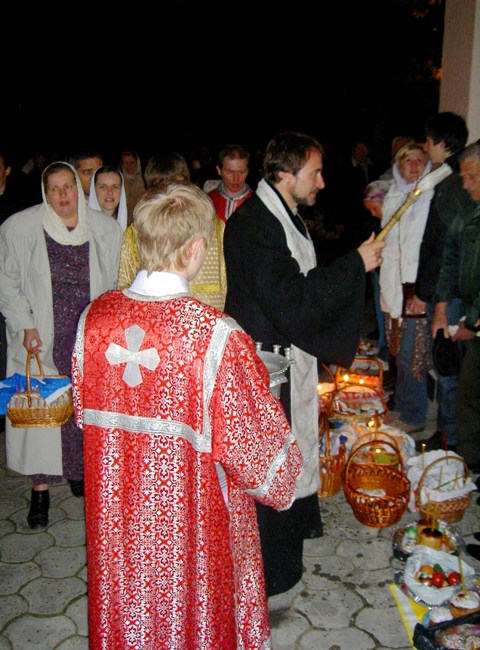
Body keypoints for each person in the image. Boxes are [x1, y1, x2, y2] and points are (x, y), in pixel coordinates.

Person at [71, 182, 303, 649]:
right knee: (192, 613)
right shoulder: (215, 335)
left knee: (129, 606)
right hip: (193, 519)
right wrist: (286, 475)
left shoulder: (93, 319)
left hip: (119, 511)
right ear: (196, 248)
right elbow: (258, 457)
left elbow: (83, 415)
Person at [224, 131, 384, 598]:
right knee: (270, 465)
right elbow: (292, 300)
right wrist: (354, 265)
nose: (322, 182)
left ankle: (285, 551)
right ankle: (268, 572)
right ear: (285, 173)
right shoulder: (256, 225)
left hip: (285, 360)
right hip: (267, 369)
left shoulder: (282, 214)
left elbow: (300, 283)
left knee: (288, 456)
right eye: (315, 173)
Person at [0, 162, 122, 529]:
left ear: (78, 188)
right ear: (45, 192)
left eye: (68, 186)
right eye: (54, 189)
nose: (62, 195)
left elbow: (114, 281)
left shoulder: (103, 228)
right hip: (40, 334)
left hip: (85, 332)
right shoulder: (19, 228)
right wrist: (24, 325)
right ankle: (40, 490)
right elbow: (7, 282)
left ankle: (77, 472)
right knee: (41, 412)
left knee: (80, 408)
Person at [410, 112, 469, 451]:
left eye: (429, 141)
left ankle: (452, 442)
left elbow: (443, 249)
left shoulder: (453, 184)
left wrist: (431, 297)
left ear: (443, 144)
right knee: (449, 368)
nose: (425, 147)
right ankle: (449, 435)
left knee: (448, 369)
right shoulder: (450, 178)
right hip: (453, 292)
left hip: (450, 295)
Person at [117, 152, 227, 310]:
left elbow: (226, 277)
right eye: (160, 185)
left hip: (206, 312)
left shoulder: (215, 226)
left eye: (177, 184)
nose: (170, 190)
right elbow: (126, 283)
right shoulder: (137, 230)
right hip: (155, 315)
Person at [432, 142, 480, 471]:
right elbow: (449, 261)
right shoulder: (468, 214)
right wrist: (440, 308)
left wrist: (472, 323)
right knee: (468, 394)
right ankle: (471, 466)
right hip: (472, 315)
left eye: (472, 176)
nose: (466, 184)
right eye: (463, 177)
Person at [379, 143, 433, 435]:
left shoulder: (430, 194)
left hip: (415, 286)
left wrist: (424, 291)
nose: (413, 165)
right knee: (398, 350)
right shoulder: (392, 194)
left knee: (413, 354)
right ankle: (402, 404)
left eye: (419, 160)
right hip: (392, 283)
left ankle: (414, 414)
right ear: (398, 165)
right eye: (407, 160)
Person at [207, 144, 253, 222]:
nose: (236, 178)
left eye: (241, 172)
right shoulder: (209, 201)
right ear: (219, 170)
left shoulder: (256, 202)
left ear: (248, 171)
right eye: (230, 172)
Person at [88, 165, 128, 231]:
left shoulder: (131, 231)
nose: (110, 192)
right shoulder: (83, 227)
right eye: (103, 187)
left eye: (115, 187)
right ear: (94, 190)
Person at [120, 150, 146, 225]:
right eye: (126, 163)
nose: (129, 166)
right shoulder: (118, 180)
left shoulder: (144, 181)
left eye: (131, 162)